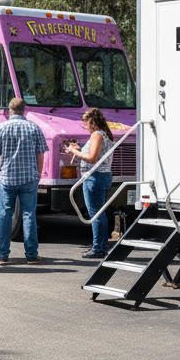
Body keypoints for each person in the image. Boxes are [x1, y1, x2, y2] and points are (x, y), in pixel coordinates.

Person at [0, 97, 46, 265]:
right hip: (29, 178)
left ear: (9, 110)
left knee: (5, 215)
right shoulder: (34, 128)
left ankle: (3, 254)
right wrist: (38, 174)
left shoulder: (2, 128)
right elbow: (40, 155)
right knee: (29, 215)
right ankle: (31, 255)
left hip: (7, 178)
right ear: (24, 109)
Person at [65, 108, 115, 259]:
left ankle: (98, 248)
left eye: (86, 123)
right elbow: (96, 154)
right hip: (103, 176)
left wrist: (75, 152)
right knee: (100, 212)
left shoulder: (96, 135)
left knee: (95, 214)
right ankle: (102, 244)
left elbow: (92, 158)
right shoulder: (105, 135)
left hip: (94, 177)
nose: (85, 126)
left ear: (92, 122)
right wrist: (80, 149)